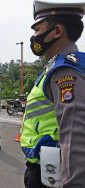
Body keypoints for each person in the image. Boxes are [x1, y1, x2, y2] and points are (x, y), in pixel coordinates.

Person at [21, 1, 85, 187]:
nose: (34, 37)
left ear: (56, 31)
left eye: (37, 30)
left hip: (53, 174)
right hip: (46, 167)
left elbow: (75, 136)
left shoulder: (65, 71)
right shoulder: (56, 67)